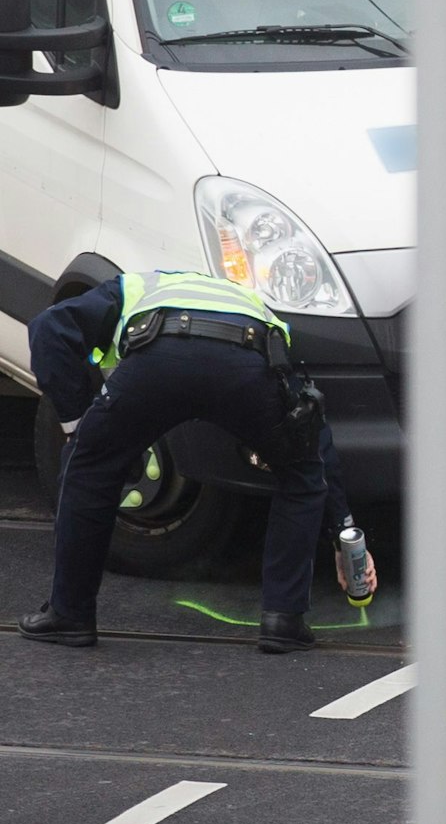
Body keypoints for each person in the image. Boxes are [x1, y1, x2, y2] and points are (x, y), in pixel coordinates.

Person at [18, 270, 359, 652]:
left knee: (88, 467)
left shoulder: (130, 287)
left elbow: (48, 328)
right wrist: (344, 534)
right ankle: (284, 620)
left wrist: (76, 427)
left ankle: (70, 616)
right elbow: (316, 442)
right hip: (246, 361)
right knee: (301, 473)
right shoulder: (252, 302)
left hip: (156, 360)